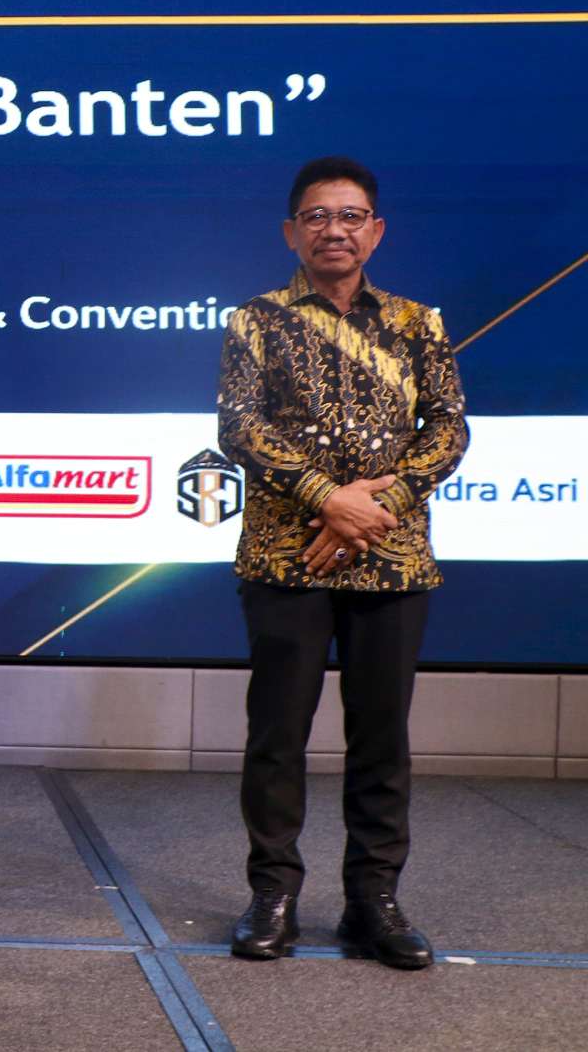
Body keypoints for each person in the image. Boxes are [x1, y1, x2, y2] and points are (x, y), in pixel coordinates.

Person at [218, 156, 468, 971]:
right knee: (276, 737)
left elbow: (449, 430)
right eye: (318, 216)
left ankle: (374, 902)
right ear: (292, 231)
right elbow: (241, 428)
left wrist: (376, 509)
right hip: (286, 557)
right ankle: (273, 896)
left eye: (351, 215)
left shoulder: (417, 323)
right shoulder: (255, 320)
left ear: (376, 231)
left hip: (392, 561)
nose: (335, 229)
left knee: (382, 740)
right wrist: (330, 499)